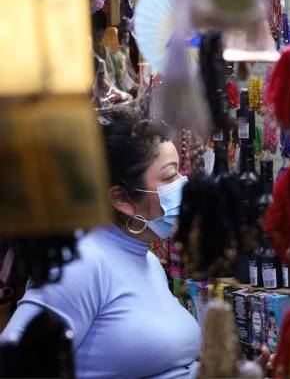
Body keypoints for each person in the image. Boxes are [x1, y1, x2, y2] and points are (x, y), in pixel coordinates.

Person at [1, 109, 201, 378]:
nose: (182, 185)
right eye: (168, 177)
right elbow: (15, 361)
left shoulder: (147, 260)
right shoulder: (82, 262)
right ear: (121, 198)